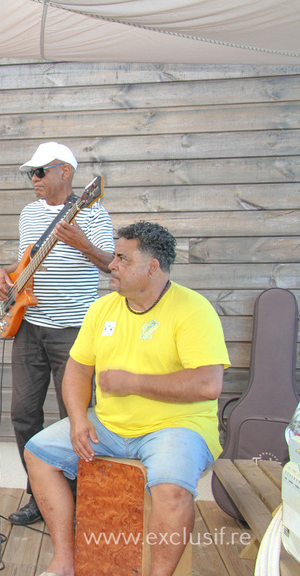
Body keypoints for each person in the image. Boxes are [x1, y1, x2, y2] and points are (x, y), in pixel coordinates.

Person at [24, 221, 230, 576]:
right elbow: (77, 369)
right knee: (38, 454)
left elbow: (208, 384)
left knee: (171, 488)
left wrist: (133, 382)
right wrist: (78, 420)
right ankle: (65, 561)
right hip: (110, 425)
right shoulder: (103, 308)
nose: (112, 265)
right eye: (115, 257)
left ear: (152, 267)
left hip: (177, 427)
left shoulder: (193, 310)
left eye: (123, 258)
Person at [0, 141, 114, 525]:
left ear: (65, 171)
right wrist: (4, 274)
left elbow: (113, 263)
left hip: (74, 333)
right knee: (23, 415)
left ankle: (78, 503)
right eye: (31, 172)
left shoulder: (93, 212)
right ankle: (41, 496)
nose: (34, 178)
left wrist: (82, 243)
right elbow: (26, 262)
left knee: (74, 419)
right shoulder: (29, 213)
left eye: (40, 171)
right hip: (30, 327)